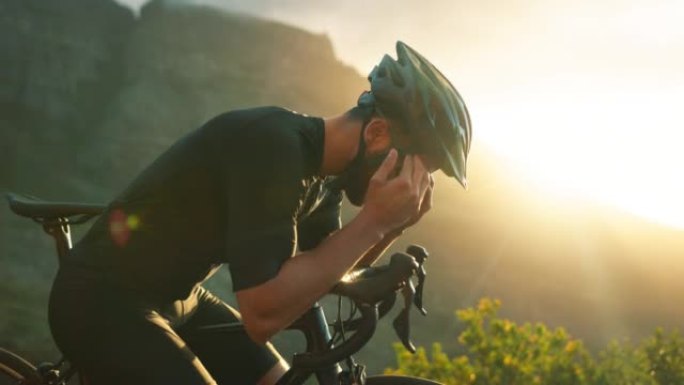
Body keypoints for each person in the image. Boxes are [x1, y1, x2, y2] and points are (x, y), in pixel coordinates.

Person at [47, 41, 471, 385]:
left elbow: (327, 267)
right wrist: (376, 219)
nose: (411, 182)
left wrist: (389, 226)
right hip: (101, 301)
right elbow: (263, 313)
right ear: (377, 133)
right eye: (414, 168)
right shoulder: (273, 148)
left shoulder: (325, 179)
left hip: (181, 301)